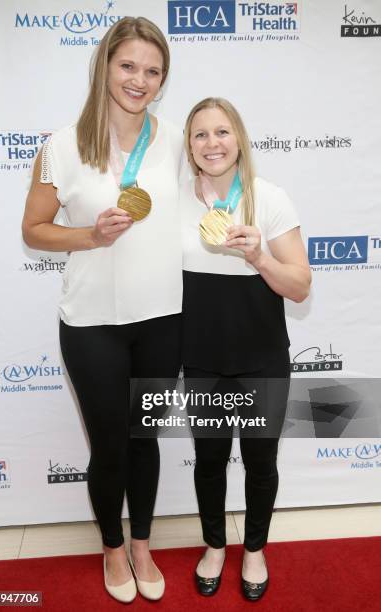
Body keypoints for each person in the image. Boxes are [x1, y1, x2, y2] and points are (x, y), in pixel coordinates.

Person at [22, 17, 183, 604]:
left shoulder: (176, 141)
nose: (139, 80)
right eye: (129, 66)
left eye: (152, 71)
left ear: (163, 80)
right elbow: (34, 231)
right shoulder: (61, 145)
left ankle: (143, 543)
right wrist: (89, 237)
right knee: (110, 443)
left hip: (164, 316)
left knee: (147, 439)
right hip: (90, 324)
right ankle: (113, 547)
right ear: (105, 65)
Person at [180, 97, 311, 601]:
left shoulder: (268, 197)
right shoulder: (174, 201)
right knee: (209, 461)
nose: (212, 143)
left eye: (221, 132)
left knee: (261, 463)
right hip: (202, 358)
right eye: (200, 135)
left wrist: (258, 256)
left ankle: (253, 549)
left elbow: (299, 287)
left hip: (261, 359)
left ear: (239, 139)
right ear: (189, 147)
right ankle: (215, 545)